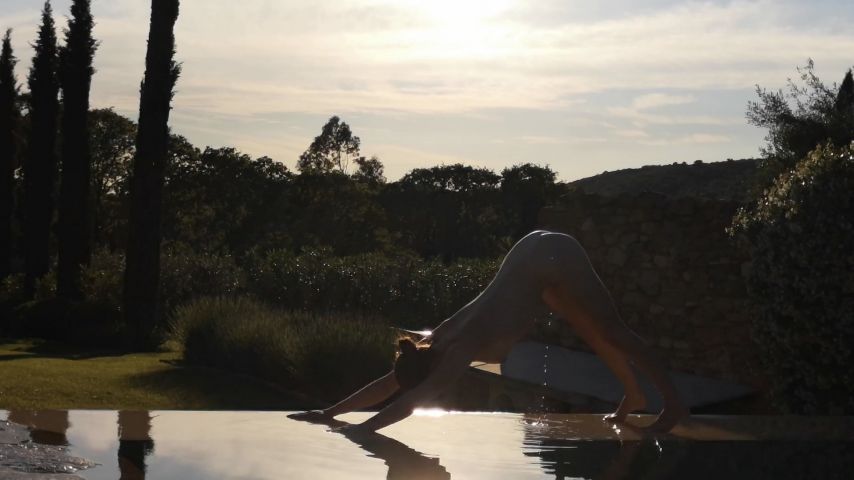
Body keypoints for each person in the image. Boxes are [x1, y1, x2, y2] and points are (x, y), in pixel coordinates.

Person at [290, 230, 688, 433]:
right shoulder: (434, 343)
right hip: (532, 258)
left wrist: (360, 432)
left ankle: (672, 403)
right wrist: (329, 414)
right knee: (593, 330)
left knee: (613, 330)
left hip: (553, 256)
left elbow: (410, 400)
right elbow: (390, 384)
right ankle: (633, 395)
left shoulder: (456, 347)